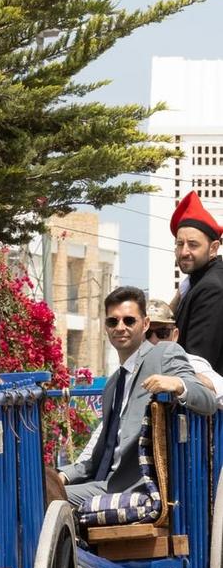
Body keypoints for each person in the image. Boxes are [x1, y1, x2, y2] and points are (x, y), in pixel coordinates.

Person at [60, 285, 216, 507]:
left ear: (145, 324)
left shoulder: (164, 354)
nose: (120, 327)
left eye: (129, 320)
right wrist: (62, 476)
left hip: (136, 488)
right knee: (45, 489)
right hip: (103, 482)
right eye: (112, 322)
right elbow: (99, 455)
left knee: (46, 499)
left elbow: (207, 400)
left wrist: (178, 384)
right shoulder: (113, 383)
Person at [169, 191, 223, 372]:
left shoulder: (211, 288)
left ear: (213, 248)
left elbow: (198, 362)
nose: (184, 252)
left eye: (193, 244)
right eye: (179, 244)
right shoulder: (194, 283)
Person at [145, 297, 223, 401]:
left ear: (175, 335)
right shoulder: (131, 365)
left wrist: (185, 381)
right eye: (147, 333)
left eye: (162, 333)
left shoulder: (190, 363)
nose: (153, 340)